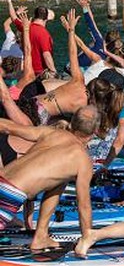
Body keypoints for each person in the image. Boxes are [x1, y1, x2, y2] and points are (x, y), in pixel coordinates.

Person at [0, 105, 98, 250]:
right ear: (95, 131)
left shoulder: (52, 133)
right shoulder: (83, 160)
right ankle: (41, 236)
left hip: (4, 180)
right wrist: (87, 238)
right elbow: (83, 205)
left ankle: (41, 236)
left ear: (72, 122)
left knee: (59, 183)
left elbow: (8, 127)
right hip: (9, 194)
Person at [2, 0, 56, 75]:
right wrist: (53, 71)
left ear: (35, 15)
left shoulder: (26, 27)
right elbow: (47, 55)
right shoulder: (44, 34)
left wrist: (9, 1)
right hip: (40, 72)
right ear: (46, 18)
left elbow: (13, 17)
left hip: (27, 70)